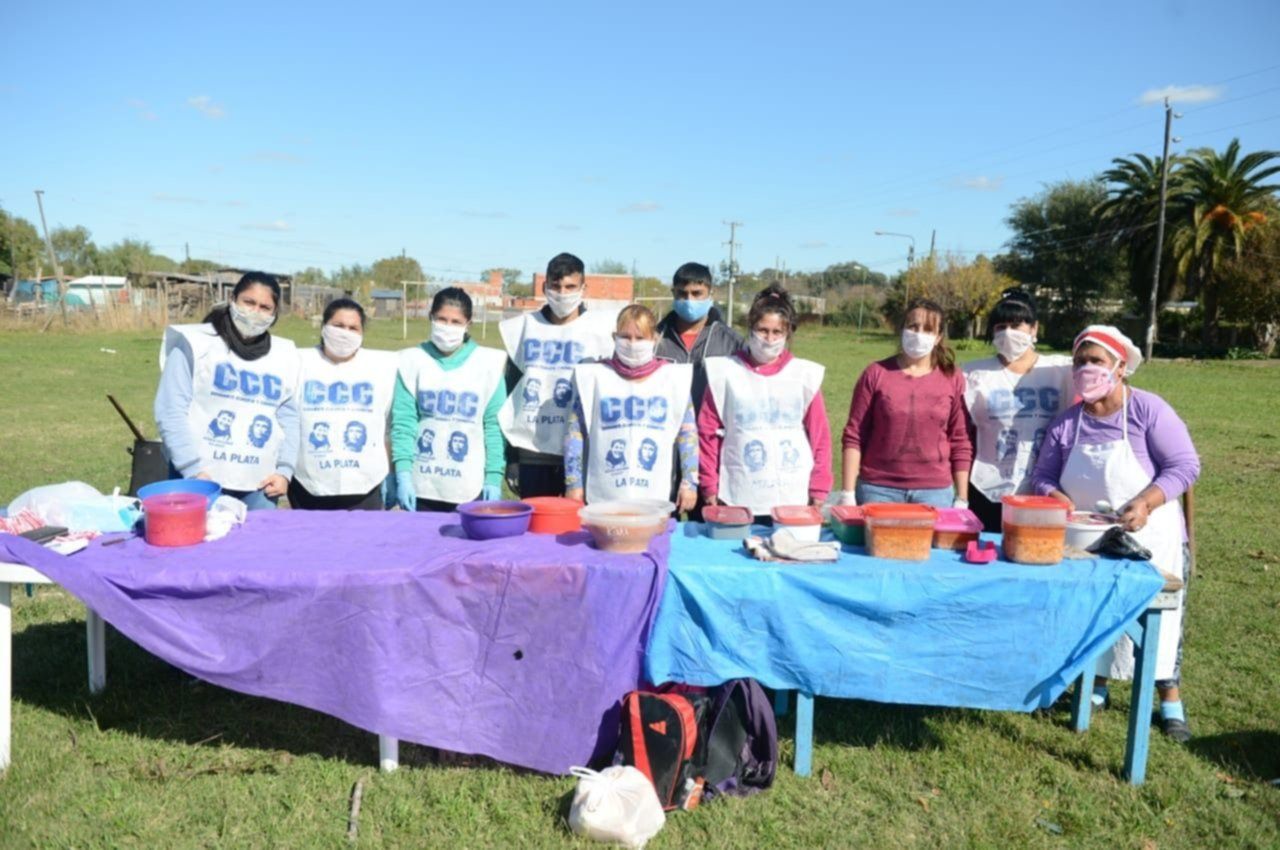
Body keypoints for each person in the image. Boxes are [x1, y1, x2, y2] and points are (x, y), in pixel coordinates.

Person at [1031, 325, 1200, 742]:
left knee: (1161, 620)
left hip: (1152, 535)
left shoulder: (1148, 410)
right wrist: (1055, 496)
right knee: (1098, 613)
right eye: (1080, 362)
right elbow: (1042, 476)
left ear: (1120, 368)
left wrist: (1144, 502)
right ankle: (1096, 686)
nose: (1086, 369)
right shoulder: (1067, 424)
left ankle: (1170, 701)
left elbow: (1184, 466)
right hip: (1091, 541)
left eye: (1096, 361)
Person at [155, 271, 299, 510]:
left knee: (257, 536)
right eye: (249, 302)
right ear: (233, 299)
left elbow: (290, 418)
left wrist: (284, 471)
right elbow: (170, 410)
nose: (255, 312)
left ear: (274, 314)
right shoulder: (196, 344)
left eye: (265, 307)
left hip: (260, 485)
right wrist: (192, 470)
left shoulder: (284, 356)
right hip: (199, 479)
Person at [698, 285, 832, 518]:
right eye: (762, 330)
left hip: (792, 495)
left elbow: (820, 436)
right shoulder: (724, 372)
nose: (769, 339)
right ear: (750, 328)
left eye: (777, 332)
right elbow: (707, 432)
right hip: (738, 495)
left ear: (787, 333)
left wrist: (819, 485)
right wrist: (709, 483)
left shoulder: (804, 376)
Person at [499, 252, 616, 497]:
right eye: (556, 286)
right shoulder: (524, 328)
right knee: (538, 520)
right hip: (533, 450)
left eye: (570, 287)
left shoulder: (601, 331)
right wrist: (512, 457)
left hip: (583, 450)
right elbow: (510, 393)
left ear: (584, 288)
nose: (563, 293)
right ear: (545, 287)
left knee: (578, 520)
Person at [840, 298, 972, 508]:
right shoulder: (875, 373)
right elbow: (854, 435)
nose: (919, 334)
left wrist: (962, 498)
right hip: (878, 488)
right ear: (902, 329)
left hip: (935, 492)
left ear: (938, 337)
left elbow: (960, 439)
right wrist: (847, 493)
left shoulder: (952, 378)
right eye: (913, 326)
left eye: (928, 329)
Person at [564, 305, 697, 510]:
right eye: (625, 336)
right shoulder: (593, 377)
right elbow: (574, 433)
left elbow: (688, 434)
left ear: (654, 339)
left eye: (640, 338)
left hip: (655, 492)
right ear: (614, 337)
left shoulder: (673, 379)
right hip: (605, 492)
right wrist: (573, 483)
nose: (632, 344)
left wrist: (690, 483)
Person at [962, 289, 1073, 530]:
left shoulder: (1062, 370)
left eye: (1016, 325)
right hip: (988, 488)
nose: (1008, 332)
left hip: (1046, 490)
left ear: (1034, 328)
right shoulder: (972, 374)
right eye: (1000, 327)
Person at [392, 287, 508, 512]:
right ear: (431, 317)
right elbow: (403, 423)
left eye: (456, 322)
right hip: (421, 484)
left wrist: (494, 477)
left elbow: (494, 427)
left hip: (469, 485)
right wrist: (402, 474)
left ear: (468, 324)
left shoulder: (489, 366)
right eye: (441, 319)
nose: (447, 327)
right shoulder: (411, 361)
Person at [290, 298, 396, 510]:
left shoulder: (383, 367)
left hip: (365, 486)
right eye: (338, 325)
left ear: (362, 333)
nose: (345, 333)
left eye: (353, 328)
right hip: (308, 483)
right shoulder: (298, 362)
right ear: (323, 327)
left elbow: (390, 426)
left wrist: (393, 473)